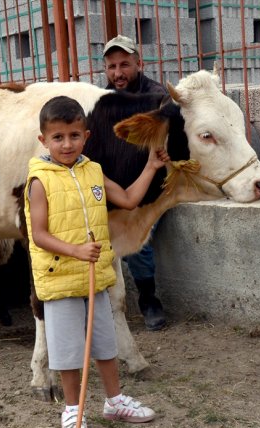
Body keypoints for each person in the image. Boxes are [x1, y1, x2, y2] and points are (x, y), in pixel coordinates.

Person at [24, 96, 170, 428]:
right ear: (43, 140)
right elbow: (40, 235)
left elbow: (130, 200)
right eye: (57, 137)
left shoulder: (94, 171)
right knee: (69, 352)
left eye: (74, 135)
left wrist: (151, 166)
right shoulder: (39, 182)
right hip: (60, 279)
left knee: (104, 345)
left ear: (86, 136)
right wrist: (75, 250)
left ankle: (115, 400)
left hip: (96, 277)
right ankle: (73, 410)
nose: (67, 144)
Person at [103, 34, 168, 330]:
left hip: (153, 188)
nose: (118, 73)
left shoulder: (157, 98)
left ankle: (148, 299)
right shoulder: (101, 102)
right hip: (117, 190)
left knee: (135, 244)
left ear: (138, 64)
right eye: (112, 66)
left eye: (124, 65)